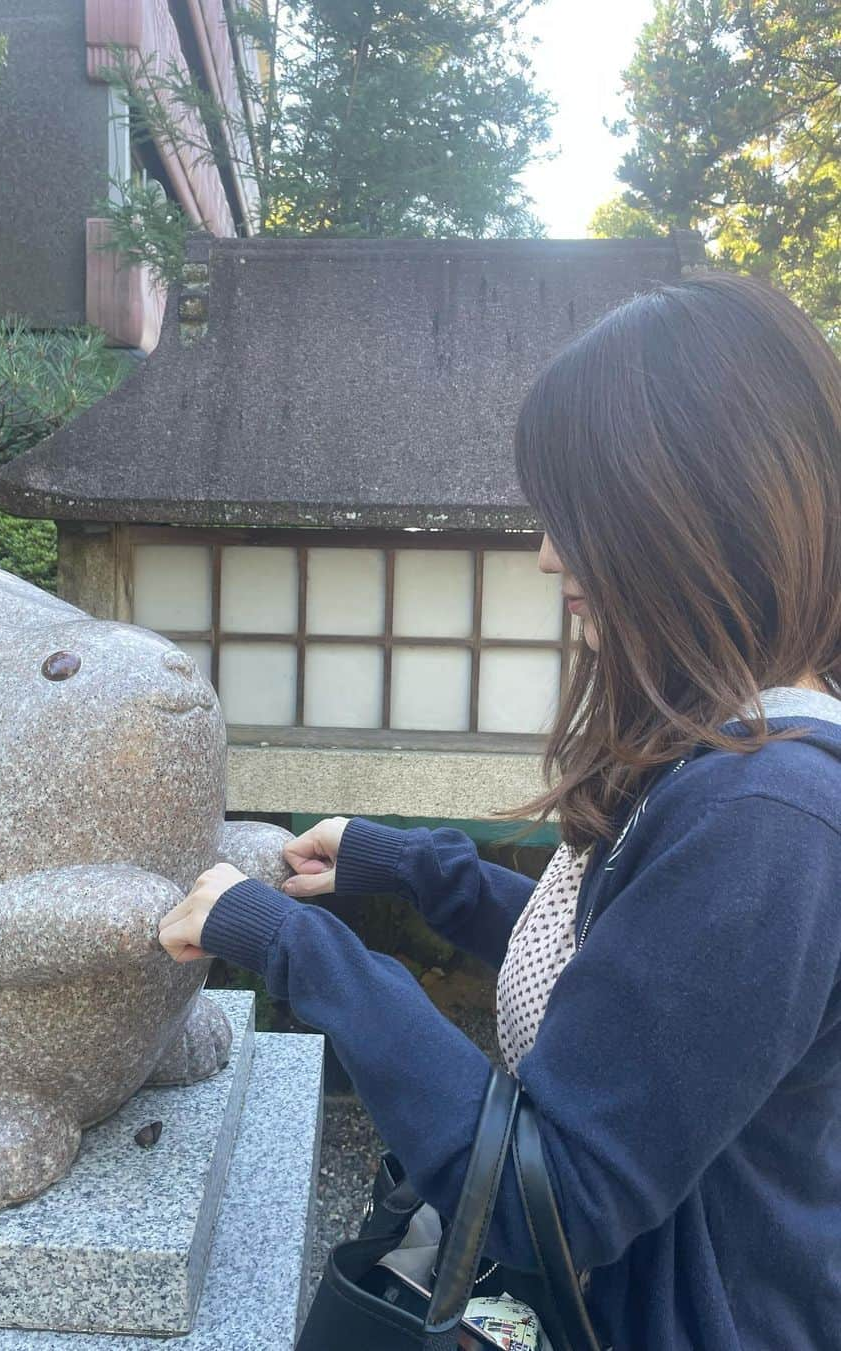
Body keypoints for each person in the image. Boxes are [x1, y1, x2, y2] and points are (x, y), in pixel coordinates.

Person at [158, 273, 841, 1351]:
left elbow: (548, 1203)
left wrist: (290, 943)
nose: (547, 553)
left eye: (578, 511)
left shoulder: (770, 813)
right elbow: (630, 978)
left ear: (699, 508)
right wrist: (409, 868)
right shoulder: (748, 752)